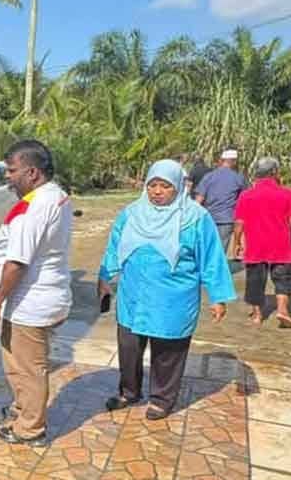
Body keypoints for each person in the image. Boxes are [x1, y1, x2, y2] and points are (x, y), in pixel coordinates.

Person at [98, 160, 236, 420]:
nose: (157, 191)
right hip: (133, 296)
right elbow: (114, 246)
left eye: (165, 186)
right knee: (129, 348)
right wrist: (105, 276)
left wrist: (218, 296)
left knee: (168, 352)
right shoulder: (131, 213)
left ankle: (162, 399)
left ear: (178, 188)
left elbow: (211, 257)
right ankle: (129, 391)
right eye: (152, 185)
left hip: (173, 299)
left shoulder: (195, 218)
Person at [0, 140, 73, 445]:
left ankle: (30, 428)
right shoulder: (55, 196)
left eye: (12, 170)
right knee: (20, 363)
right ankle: (23, 409)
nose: (7, 177)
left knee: (28, 368)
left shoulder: (34, 206)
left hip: (29, 304)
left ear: (32, 172)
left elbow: (17, 261)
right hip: (39, 299)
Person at [233, 157, 291, 328]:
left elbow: (239, 222)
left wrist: (237, 242)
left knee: (255, 280)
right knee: (283, 279)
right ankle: (282, 310)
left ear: (256, 174)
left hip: (256, 247)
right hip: (280, 246)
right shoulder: (287, 194)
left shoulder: (246, 195)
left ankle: (257, 316)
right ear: (275, 173)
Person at [194, 149, 248, 253]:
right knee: (220, 251)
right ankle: (216, 268)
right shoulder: (238, 178)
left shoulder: (209, 176)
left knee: (207, 248)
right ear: (234, 162)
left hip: (208, 218)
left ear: (221, 160)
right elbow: (244, 200)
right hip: (226, 219)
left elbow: (198, 200)